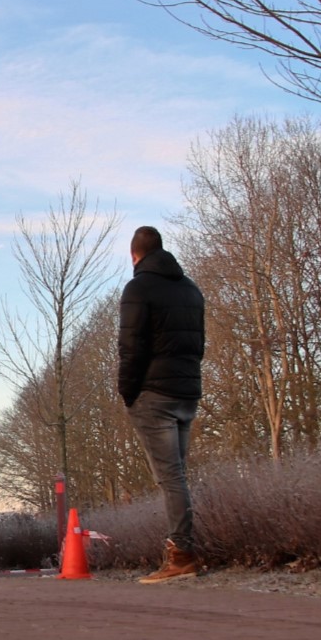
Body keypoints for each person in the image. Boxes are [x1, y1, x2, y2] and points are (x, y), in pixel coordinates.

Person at [117, 225, 207, 583]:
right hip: (188, 392)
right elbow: (199, 345)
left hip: (154, 395)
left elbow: (130, 347)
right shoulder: (191, 289)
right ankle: (181, 550)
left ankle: (181, 555)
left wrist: (127, 392)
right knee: (178, 477)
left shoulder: (137, 288)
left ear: (133, 255)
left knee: (170, 478)